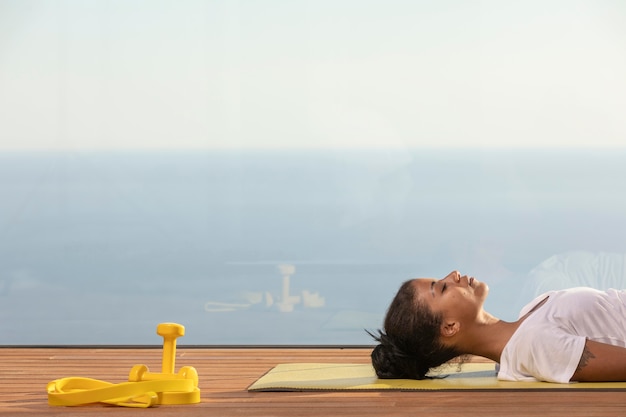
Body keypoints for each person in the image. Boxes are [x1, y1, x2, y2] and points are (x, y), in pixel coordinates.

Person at [369, 270, 626, 383]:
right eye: (443, 287)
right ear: (449, 326)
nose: (454, 274)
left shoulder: (527, 321)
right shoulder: (534, 346)